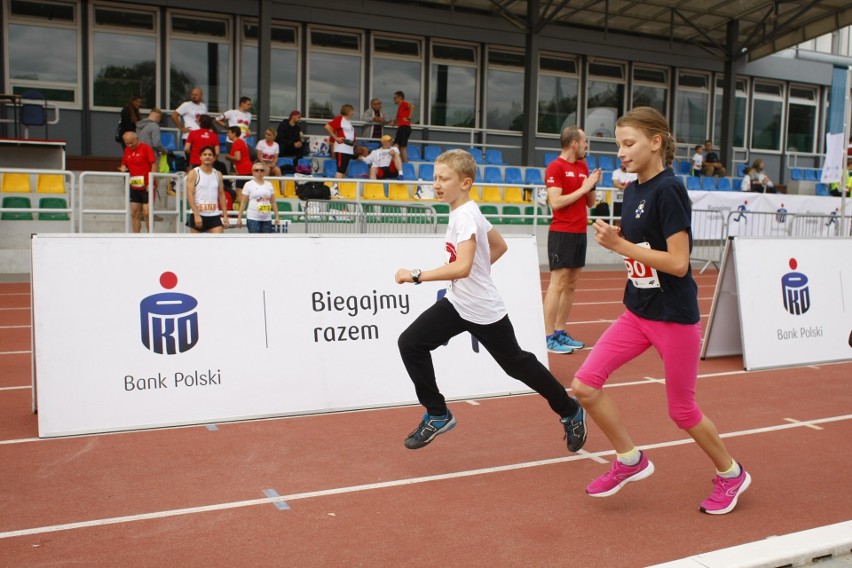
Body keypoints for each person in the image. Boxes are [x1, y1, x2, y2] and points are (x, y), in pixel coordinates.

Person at [571, 106, 750, 515]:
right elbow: (643, 249)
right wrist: (622, 240)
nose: (621, 152)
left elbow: (679, 263)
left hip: (673, 317)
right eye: (618, 144)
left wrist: (621, 247)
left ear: (656, 143)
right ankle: (630, 459)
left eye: (628, 143)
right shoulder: (632, 189)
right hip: (637, 311)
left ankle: (731, 472)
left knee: (682, 411)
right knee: (584, 385)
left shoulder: (669, 190)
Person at [394, 149, 588, 452]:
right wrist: (476, 272)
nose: (437, 184)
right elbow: (499, 246)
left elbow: (462, 266)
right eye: (435, 178)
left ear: (466, 182)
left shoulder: (467, 216)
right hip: (459, 303)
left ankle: (570, 410)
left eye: (444, 178)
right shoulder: (466, 211)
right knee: (411, 343)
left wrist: (416, 275)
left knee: (518, 365)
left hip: (483, 309)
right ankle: (437, 413)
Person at [541, 126, 602, 354]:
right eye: (585, 141)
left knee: (572, 284)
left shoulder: (583, 166)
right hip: (562, 232)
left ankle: (560, 331)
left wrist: (592, 185)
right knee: (558, 283)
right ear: (574, 143)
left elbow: (590, 204)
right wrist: (584, 187)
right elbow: (555, 202)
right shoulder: (555, 167)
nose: (587, 145)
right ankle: (547, 335)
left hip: (579, 231)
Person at [118, 131, 156, 233]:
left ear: (137, 139)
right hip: (134, 184)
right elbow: (124, 164)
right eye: (127, 143)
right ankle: (136, 236)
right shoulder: (127, 150)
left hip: (147, 184)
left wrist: (151, 182)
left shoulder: (146, 148)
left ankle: (150, 236)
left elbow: (154, 164)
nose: (130, 145)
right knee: (134, 212)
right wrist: (123, 168)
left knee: (147, 212)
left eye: (132, 143)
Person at [186, 146, 229, 234]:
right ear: (200, 157)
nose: (207, 156)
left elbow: (221, 195)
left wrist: (225, 216)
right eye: (204, 154)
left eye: (210, 154)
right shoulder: (194, 173)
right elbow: (190, 195)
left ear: (214, 158)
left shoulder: (218, 174)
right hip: (198, 214)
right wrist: (196, 215)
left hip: (214, 215)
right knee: (196, 245)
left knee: (219, 243)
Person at [237, 162, 280, 233]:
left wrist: (277, 216)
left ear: (264, 172)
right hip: (253, 218)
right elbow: (243, 202)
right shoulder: (248, 184)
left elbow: (273, 202)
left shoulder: (269, 184)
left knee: (266, 241)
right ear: (253, 172)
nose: (259, 172)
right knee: (254, 241)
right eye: (256, 170)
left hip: (267, 218)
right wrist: (239, 218)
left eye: (261, 170)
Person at [324, 104, 357, 179]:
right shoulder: (340, 119)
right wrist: (336, 137)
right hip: (342, 148)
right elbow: (327, 126)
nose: (353, 112)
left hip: (348, 148)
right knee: (340, 169)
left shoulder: (348, 121)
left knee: (344, 170)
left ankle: (341, 187)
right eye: (352, 110)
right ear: (348, 111)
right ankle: (336, 187)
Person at [224, 125, 253, 200]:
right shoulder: (241, 142)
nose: (227, 134)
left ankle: (242, 209)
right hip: (247, 169)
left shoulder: (236, 143)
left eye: (229, 132)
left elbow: (237, 158)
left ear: (234, 133)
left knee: (239, 190)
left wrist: (228, 156)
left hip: (244, 170)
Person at [390, 91, 414, 163]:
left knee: (402, 147)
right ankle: (393, 163)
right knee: (395, 145)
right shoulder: (400, 107)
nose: (394, 99)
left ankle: (405, 164)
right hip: (401, 128)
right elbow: (398, 117)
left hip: (404, 128)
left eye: (395, 97)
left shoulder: (403, 103)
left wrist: (409, 118)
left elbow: (412, 106)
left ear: (400, 97)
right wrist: (394, 122)